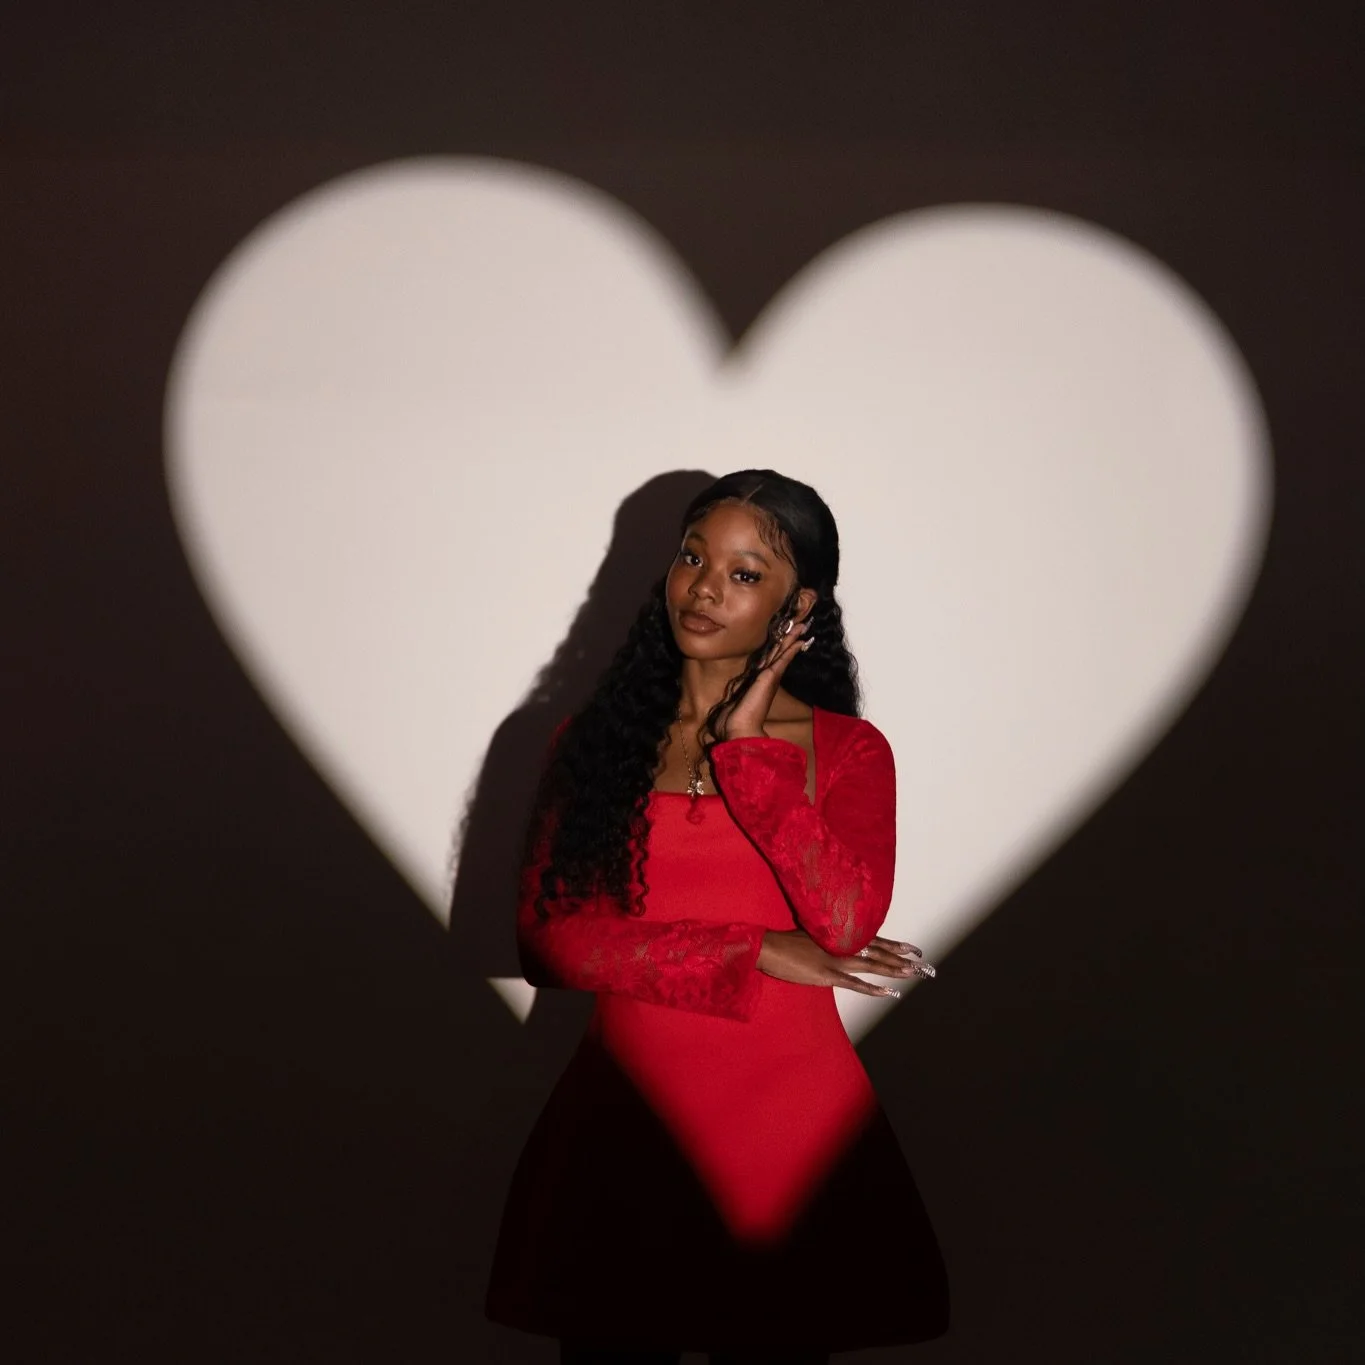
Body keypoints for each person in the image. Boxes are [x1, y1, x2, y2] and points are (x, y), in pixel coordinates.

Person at [485, 470, 949, 1363]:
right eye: (694, 556)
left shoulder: (847, 749)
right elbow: (550, 940)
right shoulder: (588, 742)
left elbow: (844, 920)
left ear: (797, 603)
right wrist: (755, 950)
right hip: (626, 1128)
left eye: (744, 572)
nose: (703, 586)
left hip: (787, 1130)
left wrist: (747, 753)